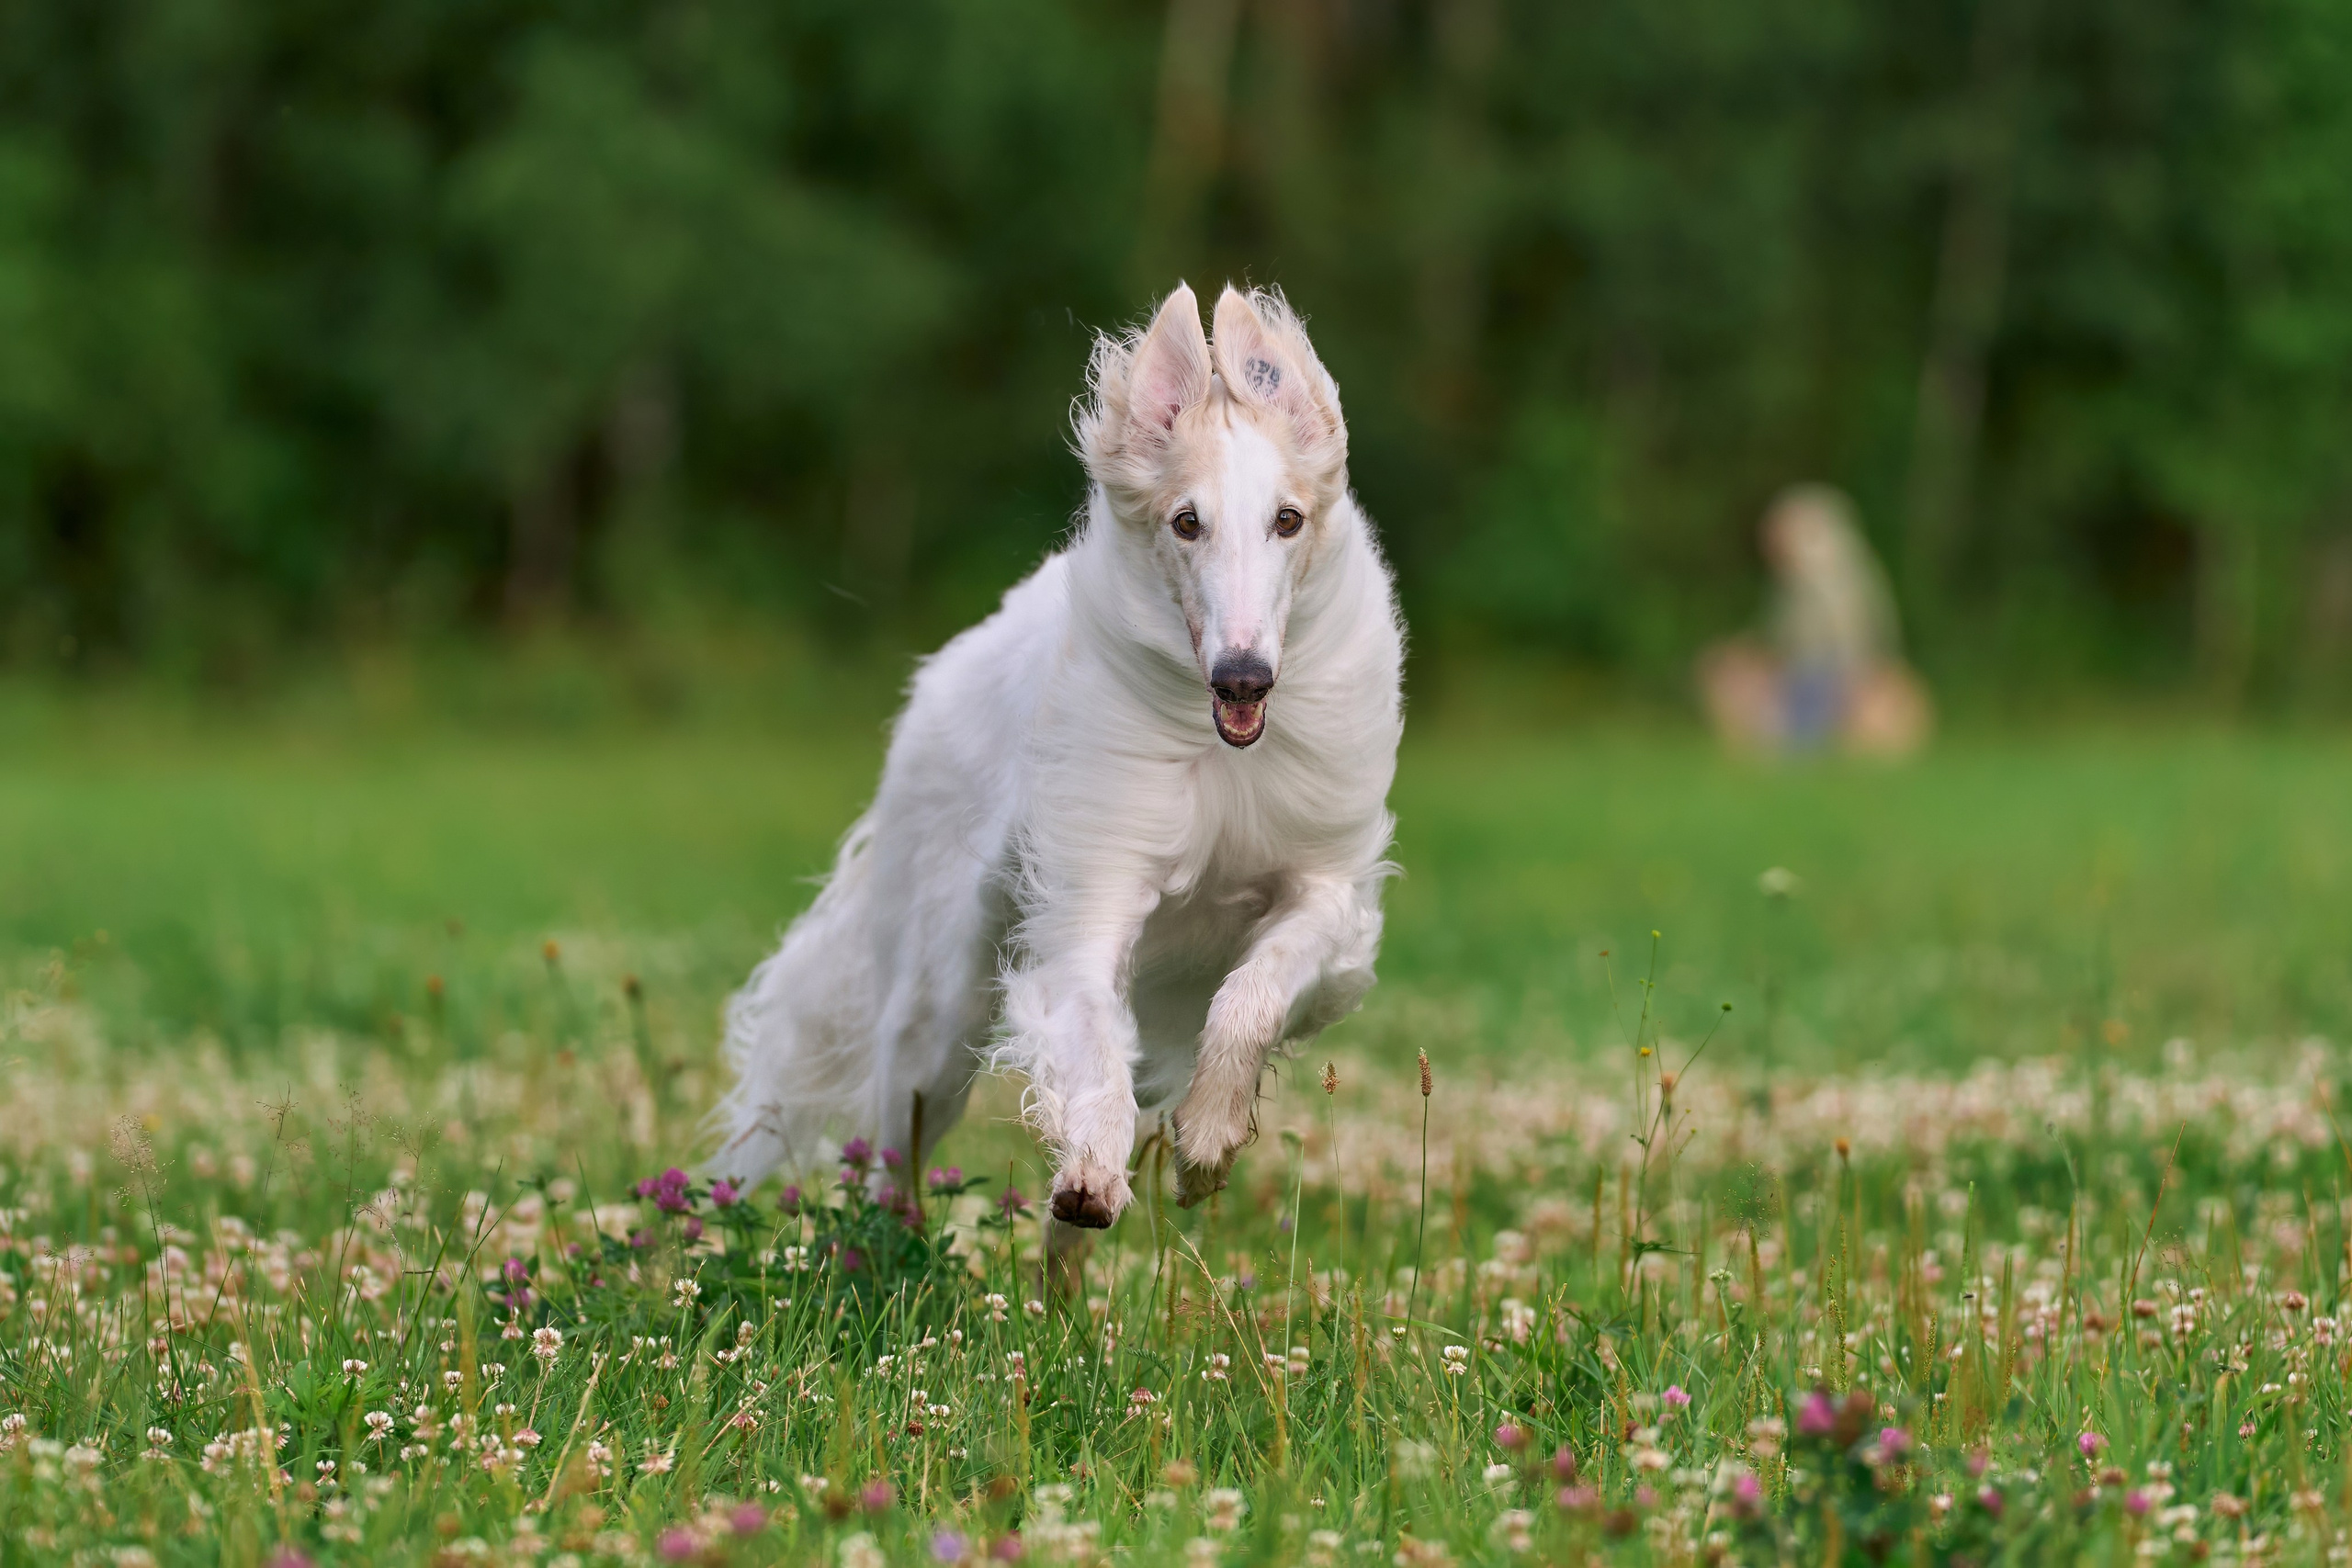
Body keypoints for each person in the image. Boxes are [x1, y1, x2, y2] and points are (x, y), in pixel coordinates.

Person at [1698, 484, 1932, 757]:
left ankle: (1795, 744)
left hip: (1830, 674)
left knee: (1796, 696)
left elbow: (1849, 642)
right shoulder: (1793, 585)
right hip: (1808, 671)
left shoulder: (1836, 582)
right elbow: (1777, 637)